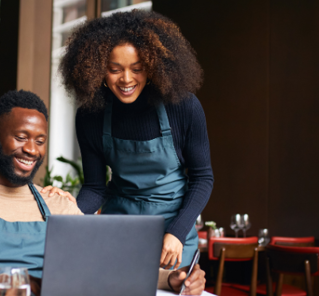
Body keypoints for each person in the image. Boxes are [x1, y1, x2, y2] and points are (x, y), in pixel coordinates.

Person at [0, 90, 206, 296]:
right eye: (21, 137)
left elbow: (106, 267)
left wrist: (172, 279)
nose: (32, 150)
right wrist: (6, 285)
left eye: (40, 141)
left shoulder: (56, 203)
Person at [42, 10, 214, 270]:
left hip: (173, 229)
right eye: (114, 70)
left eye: (137, 69)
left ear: (153, 67)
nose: (126, 79)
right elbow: (95, 188)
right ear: (98, 69)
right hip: (118, 226)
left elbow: (202, 178)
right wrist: (69, 211)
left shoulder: (183, 106)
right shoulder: (91, 116)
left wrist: (178, 233)